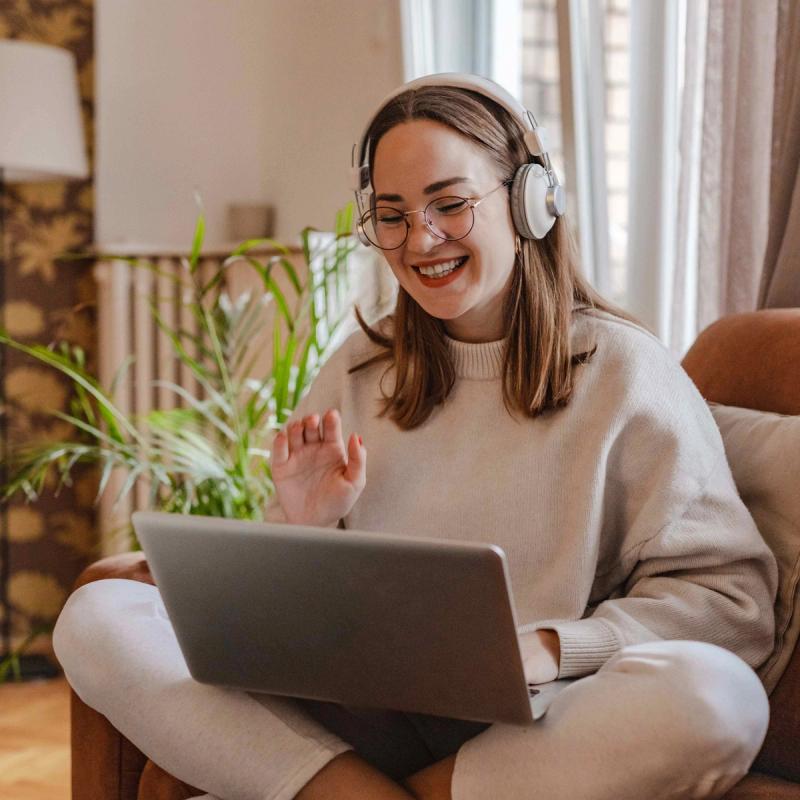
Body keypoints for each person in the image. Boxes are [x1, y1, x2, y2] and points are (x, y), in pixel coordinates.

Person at [54, 74, 778, 800]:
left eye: (450, 203)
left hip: (535, 726)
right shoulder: (361, 370)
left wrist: (549, 649)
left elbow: (730, 599)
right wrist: (302, 527)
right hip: (365, 718)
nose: (419, 239)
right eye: (392, 215)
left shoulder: (625, 373)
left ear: (531, 201)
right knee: (100, 616)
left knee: (716, 700)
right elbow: (303, 627)